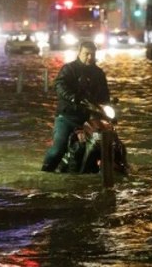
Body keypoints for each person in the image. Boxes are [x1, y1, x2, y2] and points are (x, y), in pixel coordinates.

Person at [41, 41, 110, 172]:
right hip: (68, 116)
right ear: (79, 53)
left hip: (90, 119)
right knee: (58, 149)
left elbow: (105, 94)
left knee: (107, 141)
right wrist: (72, 97)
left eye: (92, 54)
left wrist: (107, 107)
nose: (90, 57)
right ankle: (45, 172)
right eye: (87, 54)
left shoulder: (99, 73)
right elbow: (60, 85)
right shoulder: (69, 69)